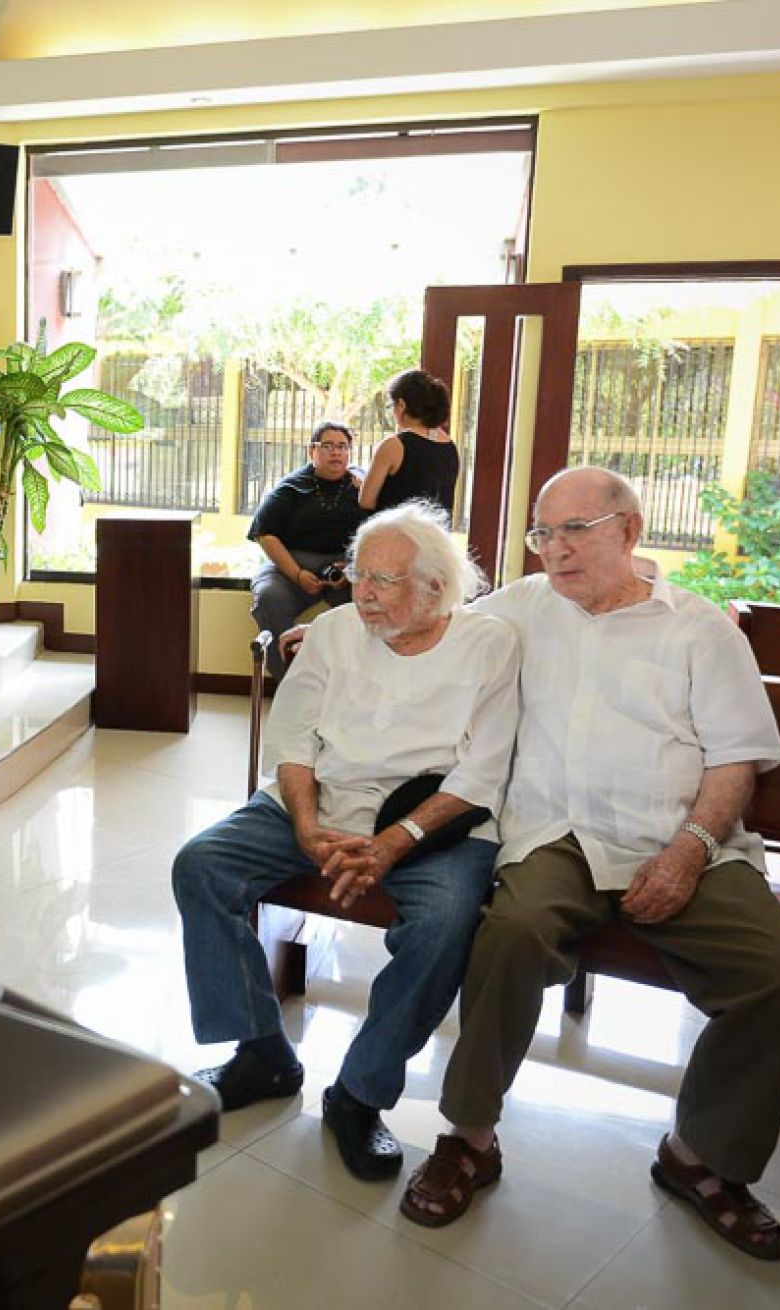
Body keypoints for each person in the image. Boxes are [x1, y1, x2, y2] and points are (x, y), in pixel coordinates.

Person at [399, 467, 780, 1262]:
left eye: (575, 530)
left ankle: (700, 1157)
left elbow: (736, 760)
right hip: (557, 834)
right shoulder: (524, 608)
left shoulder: (700, 630)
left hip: (681, 837)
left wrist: (690, 851)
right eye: (542, 533)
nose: (554, 550)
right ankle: (470, 1137)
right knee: (512, 931)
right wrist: (337, 632)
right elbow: (432, 629)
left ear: (629, 530)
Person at [174, 503, 520, 1181]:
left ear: (435, 587)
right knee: (203, 865)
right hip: (320, 800)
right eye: (359, 574)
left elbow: (484, 770)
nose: (364, 593)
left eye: (384, 581)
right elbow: (293, 741)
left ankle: (359, 1093)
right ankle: (262, 1053)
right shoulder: (333, 631)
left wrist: (391, 843)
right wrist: (307, 827)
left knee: (444, 922)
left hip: (436, 821)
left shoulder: (489, 645)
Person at [247, 422, 370, 679]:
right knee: (269, 596)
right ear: (311, 451)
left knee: (371, 597)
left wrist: (352, 568)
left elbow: (377, 533)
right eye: (328, 446)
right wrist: (297, 574)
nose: (336, 452)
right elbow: (264, 533)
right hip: (291, 566)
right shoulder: (291, 487)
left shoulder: (363, 487)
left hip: (346, 569)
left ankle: (350, 682)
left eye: (342, 447)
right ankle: (288, 680)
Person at [360, 369, 459, 514]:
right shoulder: (449, 446)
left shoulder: (394, 445)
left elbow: (366, 501)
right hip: (436, 527)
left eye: (392, 406)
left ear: (402, 405)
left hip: (398, 527)